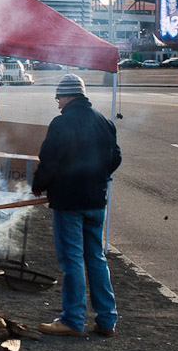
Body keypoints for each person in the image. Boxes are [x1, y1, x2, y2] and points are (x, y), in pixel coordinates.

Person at [32, 74, 121, 337]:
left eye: (58, 98)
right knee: (95, 258)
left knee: (72, 260)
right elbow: (115, 157)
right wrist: (97, 177)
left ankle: (72, 319)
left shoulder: (62, 123)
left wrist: (40, 184)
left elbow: (49, 160)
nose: (57, 103)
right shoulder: (104, 122)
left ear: (67, 96)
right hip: (96, 200)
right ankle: (106, 319)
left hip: (69, 201)